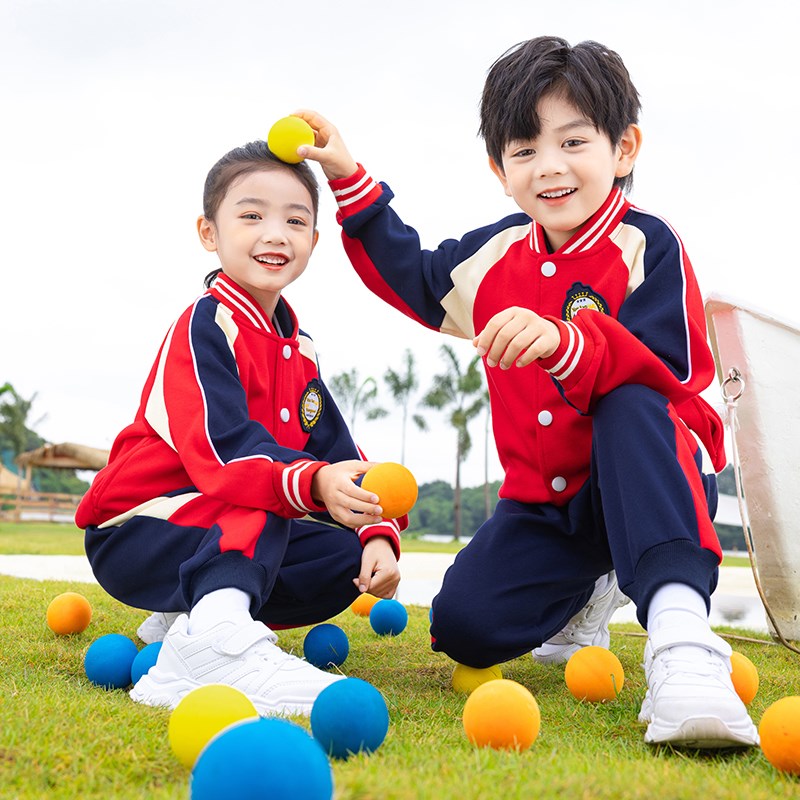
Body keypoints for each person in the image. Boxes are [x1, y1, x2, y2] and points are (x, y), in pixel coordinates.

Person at [295, 35, 759, 748]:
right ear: (498, 168)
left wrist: (568, 342)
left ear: (623, 148)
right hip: (544, 505)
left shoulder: (646, 244)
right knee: (463, 628)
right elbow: (411, 275)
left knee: (633, 401)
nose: (549, 167)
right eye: (523, 150)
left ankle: (682, 642)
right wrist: (348, 174)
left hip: (646, 484)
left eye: (573, 142)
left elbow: (673, 380)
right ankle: (587, 593)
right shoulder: (496, 255)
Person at [75, 141, 402, 716]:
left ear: (313, 243)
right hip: (135, 527)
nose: (275, 233)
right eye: (251, 216)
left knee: (343, 559)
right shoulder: (204, 324)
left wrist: (376, 529)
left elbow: (338, 454)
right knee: (265, 490)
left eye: (295, 221)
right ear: (209, 232)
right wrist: (314, 482)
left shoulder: (298, 352)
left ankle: (190, 623)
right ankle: (218, 643)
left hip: (206, 524)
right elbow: (225, 456)